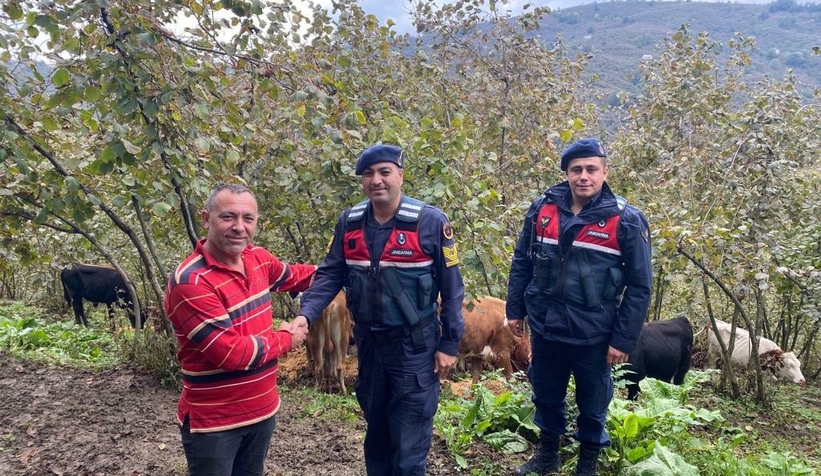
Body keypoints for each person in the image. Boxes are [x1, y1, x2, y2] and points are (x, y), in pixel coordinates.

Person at [292, 144, 465, 476]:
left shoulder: (430, 222)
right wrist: (306, 313)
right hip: (370, 345)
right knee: (377, 436)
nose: (376, 180)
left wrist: (449, 344)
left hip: (414, 346)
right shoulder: (351, 222)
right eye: (368, 174)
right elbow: (330, 273)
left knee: (410, 442)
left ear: (400, 175)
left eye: (385, 172)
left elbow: (453, 289)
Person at [506, 138, 652, 476]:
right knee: (545, 393)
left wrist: (623, 339)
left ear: (604, 172)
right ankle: (547, 457)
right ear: (567, 174)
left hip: (595, 333)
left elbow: (640, 286)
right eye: (576, 170)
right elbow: (521, 260)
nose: (583, 176)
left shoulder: (626, 219)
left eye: (591, 169)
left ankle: (587, 464)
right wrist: (515, 309)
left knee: (593, 402)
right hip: (546, 327)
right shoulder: (542, 209)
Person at [163, 183, 316, 476]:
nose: (239, 227)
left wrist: (344, 268)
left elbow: (297, 276)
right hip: (215, 425)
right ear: (206, 219)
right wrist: (286, 338)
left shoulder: (256, 258)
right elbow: (232, 353)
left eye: (248, 218)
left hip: (262, 411)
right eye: (228, 217)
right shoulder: (190, 282)